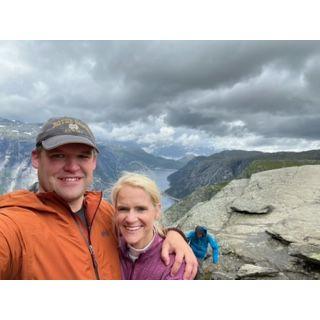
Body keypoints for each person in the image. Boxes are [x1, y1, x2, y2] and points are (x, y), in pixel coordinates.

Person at [0, 116, 198, 280]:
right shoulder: (15, 223)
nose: (72, 166)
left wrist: (174, 235)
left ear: (93, 161)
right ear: (36, 158)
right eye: (58, 155)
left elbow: (139, 227)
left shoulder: (103, 211)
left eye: (83, 156)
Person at [112, 172, 186, 280]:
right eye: (123, 209)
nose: (130, 219)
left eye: (141, 209)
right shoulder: (109, 245)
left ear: (157, 211)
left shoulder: (174, 266)